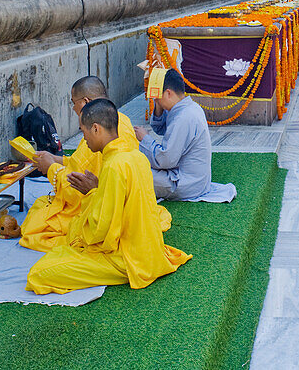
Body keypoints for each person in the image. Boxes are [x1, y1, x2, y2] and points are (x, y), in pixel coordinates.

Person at [26, 99, 191, 294]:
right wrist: (98, 189)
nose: (84, 139)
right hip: (148, 249)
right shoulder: (135, 156)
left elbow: (101, 232)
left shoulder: (114, 165)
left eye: (84, 132)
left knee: (39, 273)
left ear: (96, 129)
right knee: (62, 248)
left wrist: (91, 194)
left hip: (127, 258)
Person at [20, 76, 169, 252]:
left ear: (85, 102)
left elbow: (75, 190)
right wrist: (54, 159)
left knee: (36, 223)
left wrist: (51, 168)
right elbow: (82, 163)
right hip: (126, 213)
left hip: (107, 221)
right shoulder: (122, 121)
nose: (73, 108)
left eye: (73, 102)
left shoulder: (112, 161)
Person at [135, 68, 214, 200]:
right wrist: (158, 106)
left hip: (187, 184)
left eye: (157, 98)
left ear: (168, 93)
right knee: (137, 164)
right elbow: (161, 129)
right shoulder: (188, 107)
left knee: (135, 171)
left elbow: (165, 161)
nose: (157, 102)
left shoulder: (184, 116)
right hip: (194, 179)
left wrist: (145, 138)